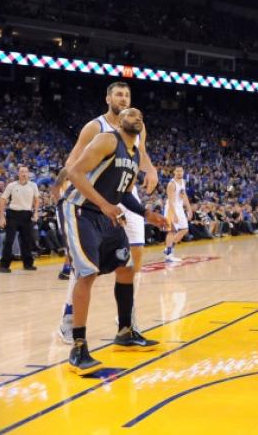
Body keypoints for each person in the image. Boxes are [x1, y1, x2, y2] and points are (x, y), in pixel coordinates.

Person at [54, 81, 160, 343]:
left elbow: (141, 154)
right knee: (86, 264)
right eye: (118, 94)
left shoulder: (137, 128)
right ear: (108, 99)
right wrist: (62, 186)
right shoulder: (97, 128)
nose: (123, 99)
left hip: (124, 192)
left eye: (127, 95)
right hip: (95, 195)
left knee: (131, 258)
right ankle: (70, 317)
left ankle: (126, 321)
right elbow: (72, 163)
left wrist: (153, 170)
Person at [0, 166, 40, 273]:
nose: (24, 173)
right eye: (21, 172)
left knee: (26, 241)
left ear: (28, 173)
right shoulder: (11, 185)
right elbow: (2, 200)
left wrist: (35, 212)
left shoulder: (33, 185)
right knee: (9, 240)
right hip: (13, 214)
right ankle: (4, 266)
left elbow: (36, 200)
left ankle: (28, 264)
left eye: (25, 171)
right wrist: (2, 217)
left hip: (27, 214)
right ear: (18, 174)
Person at [164, 166, 192, 262]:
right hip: (171, 209)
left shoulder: (183, 182)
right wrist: (174, 214)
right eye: (177, 171)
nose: (179, 172)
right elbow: (171, 201)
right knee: (172, 231)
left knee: (184, 229)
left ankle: (169, 248)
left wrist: (189, 209)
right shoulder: (171, 184)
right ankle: (169, 254)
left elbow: (184, 196)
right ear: (174, 172)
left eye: (181, 171)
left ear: (183, 172)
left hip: (179, 208)